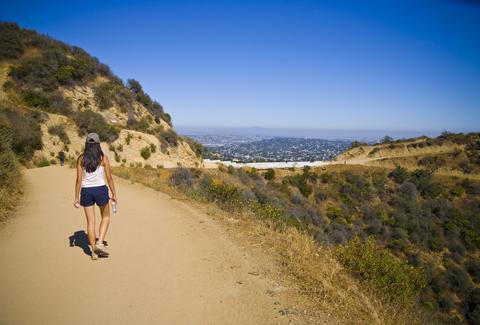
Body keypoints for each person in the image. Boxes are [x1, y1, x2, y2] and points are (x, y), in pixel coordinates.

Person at [74, 133, 118, 260]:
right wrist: (114, 193)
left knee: (90, 222)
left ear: (86, 145)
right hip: (100, 190)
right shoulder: (103, 158)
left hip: (86, 191)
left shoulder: (81, 159)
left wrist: (76, 197)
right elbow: (109, 178)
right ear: (98, 144)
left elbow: (78, 179)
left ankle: (93, 251)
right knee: (106, 216)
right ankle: (100, 242)